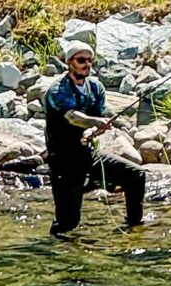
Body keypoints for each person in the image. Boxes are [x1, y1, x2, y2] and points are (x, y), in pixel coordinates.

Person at [43, 40, 145, 236]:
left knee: (136, 175)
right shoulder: (57, 91)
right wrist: (96, 123)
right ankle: (57, 254)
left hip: (87, 154)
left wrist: (93, 131)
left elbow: (94, 124)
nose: (87, 64)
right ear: (69, 62)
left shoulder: (96, 88)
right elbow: (72, 117)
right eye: (81, 60)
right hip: (63, 161)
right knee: (68, 223)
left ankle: (134, 226)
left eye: (90, 60)